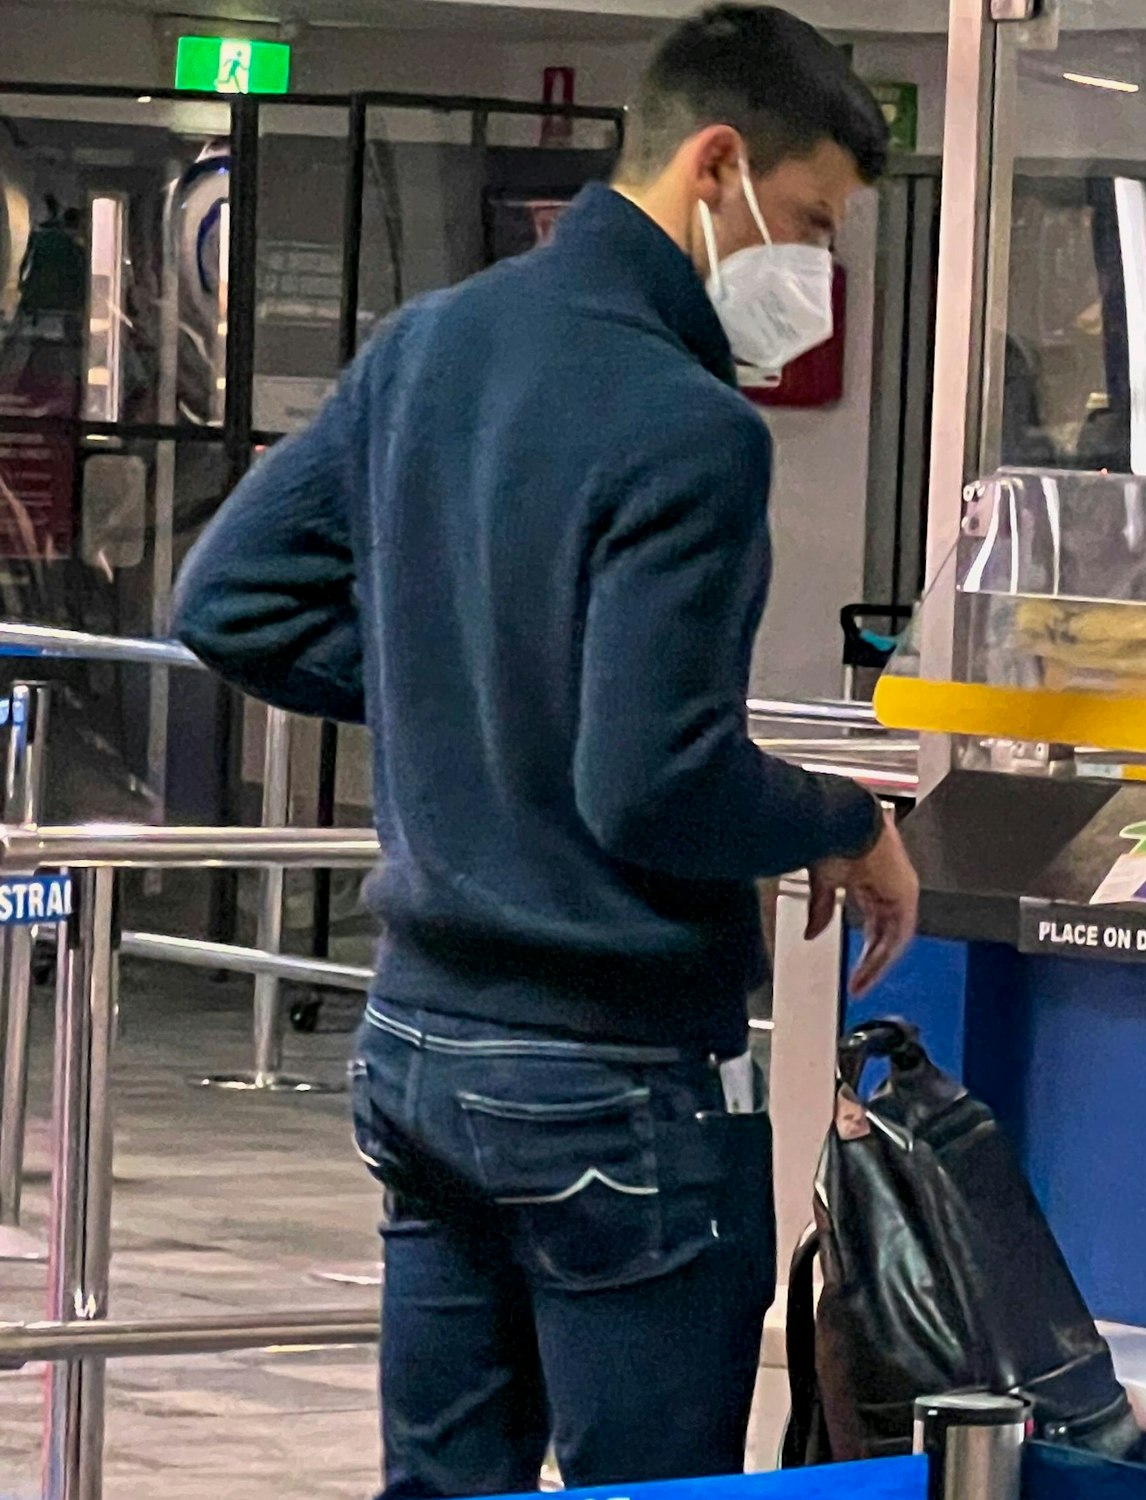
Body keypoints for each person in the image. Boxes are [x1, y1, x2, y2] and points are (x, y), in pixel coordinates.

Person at [172, 8, 919, 1496]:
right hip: (604, 1072)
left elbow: (229, 604)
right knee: (655, 1485)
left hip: (420, 1046)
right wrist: (841, 816)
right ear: (719, 168)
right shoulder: (690, 426)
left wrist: (478, 692)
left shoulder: (428, 345)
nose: (816, 273)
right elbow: (653, 780)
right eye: (816, 222)